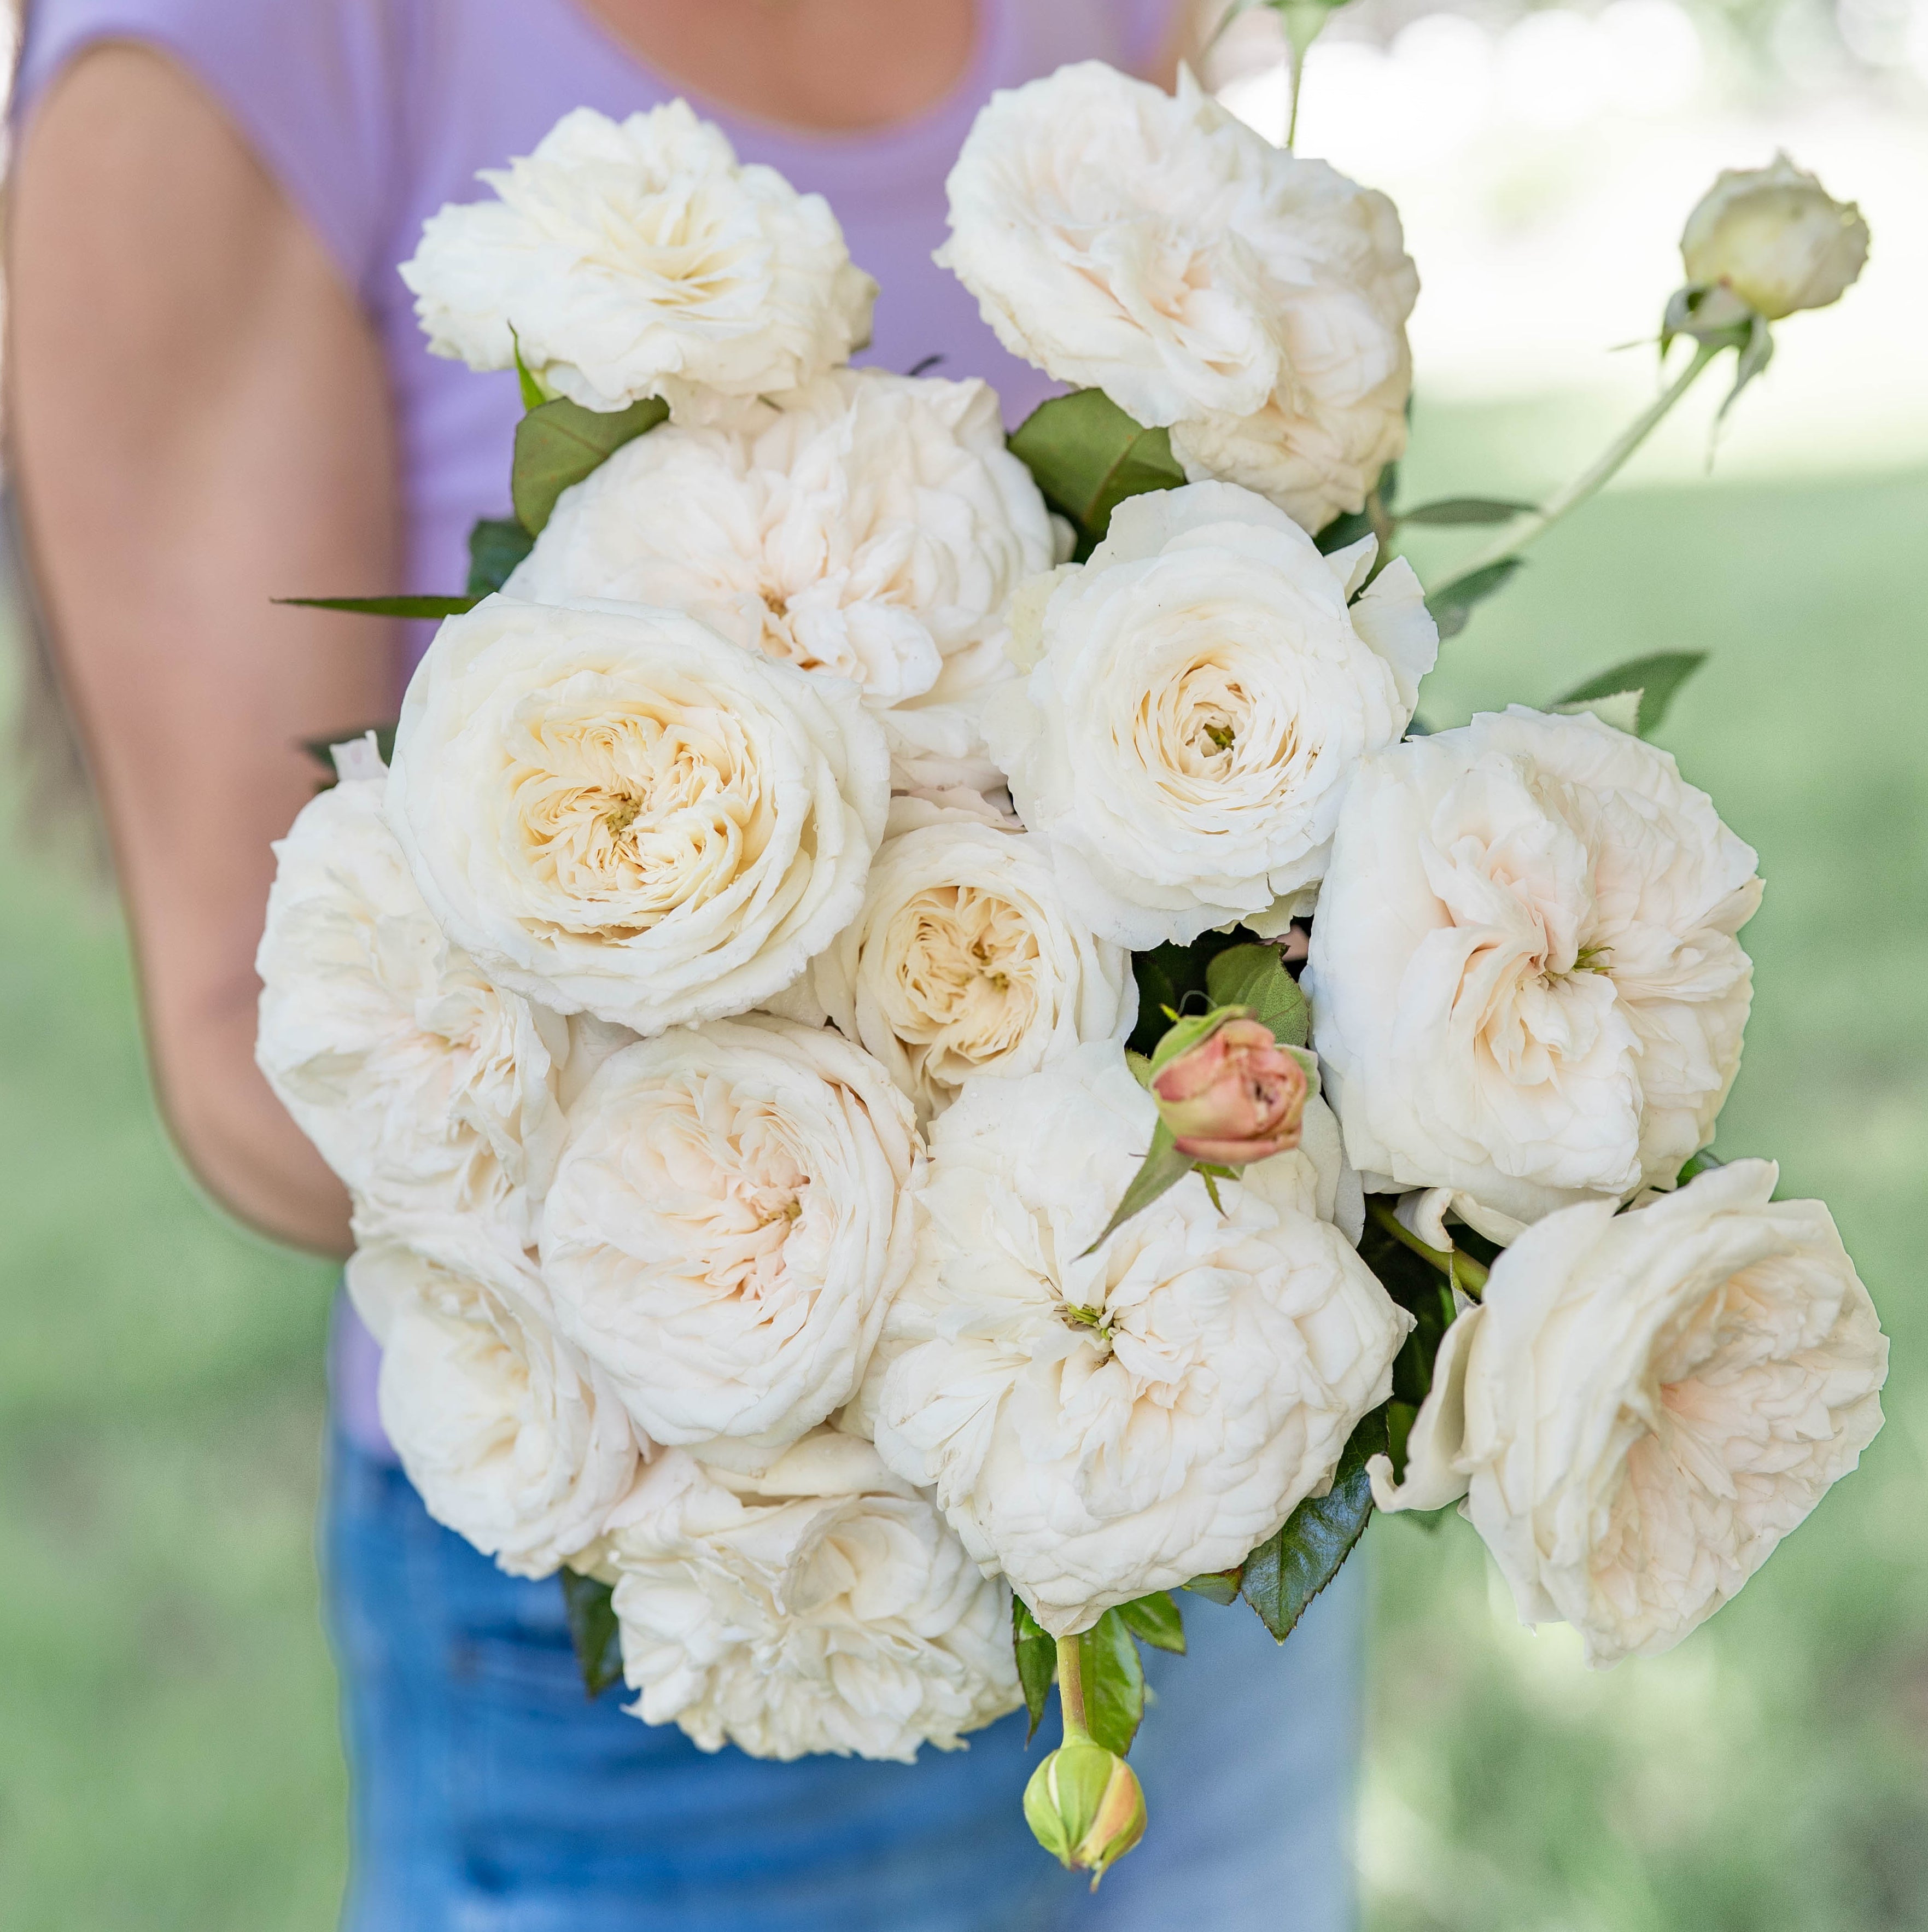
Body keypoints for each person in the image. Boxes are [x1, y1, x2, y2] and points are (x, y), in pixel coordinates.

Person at [5, 3, 1366, 1926]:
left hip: (1195, 1493)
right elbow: (254, 1051)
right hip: (701, 1605)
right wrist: (849, 1278)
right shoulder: (262, 37)